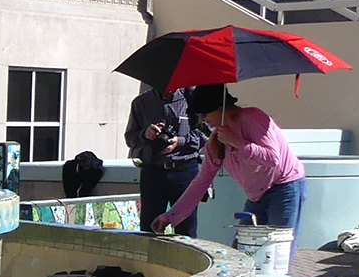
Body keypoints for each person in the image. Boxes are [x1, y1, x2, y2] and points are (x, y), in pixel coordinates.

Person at [152, 85, 308, 242]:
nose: (203, 118)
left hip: (284, 186)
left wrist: (238, 143)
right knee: (243, 248)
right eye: (200, 114)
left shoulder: (253, 117)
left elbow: (272, 159)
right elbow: (201, 182)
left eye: (205, 112)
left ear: (221, 107)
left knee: (277, 248)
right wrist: (170, 216)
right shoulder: (216, 140)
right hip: (256, 195)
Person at [126, 80, 207, 237]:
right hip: (153, 171)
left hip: (185, 169)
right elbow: (130, 138)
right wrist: (145, 134)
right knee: (149, 229)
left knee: (186, 230)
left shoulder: (192, 98)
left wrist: (180, 141)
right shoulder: (141, 103)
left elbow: (207, 133)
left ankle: (185, 262)